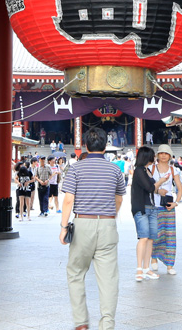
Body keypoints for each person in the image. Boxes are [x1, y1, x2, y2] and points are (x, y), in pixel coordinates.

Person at [60, 126, 126, 330]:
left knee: (76, 272)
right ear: (105, 146)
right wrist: (110, 216)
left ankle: (81, 323)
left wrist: (64, 227)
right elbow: (118, 198)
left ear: (85, 146)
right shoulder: (115, 169)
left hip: (82, 224)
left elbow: (68, 200)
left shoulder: (76, 169)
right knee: (108, 278)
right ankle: (107, 324)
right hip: (107, 223)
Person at [150, 144, 182, 275]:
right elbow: (148, 186)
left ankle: (170, 265)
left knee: (169, 235)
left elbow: (179, 188)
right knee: (155, 233)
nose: (163, 155)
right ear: (157, 155)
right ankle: (154, 258)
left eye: (166, 153)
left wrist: (176, 202)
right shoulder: (152, 168)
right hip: (154, 206)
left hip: (168, 206)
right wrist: (158, 190)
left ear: (170, 156)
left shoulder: (173, 169)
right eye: (161, 153)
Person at [129, 146, 160, 282]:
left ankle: (147, 268)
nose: (154, 158)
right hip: (142, 208)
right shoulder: (139, 171)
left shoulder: (147, 170)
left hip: (152, 207)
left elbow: (151, 190)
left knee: (150, 238)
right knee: (143, 237)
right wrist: (161, 182)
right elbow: (150, 188)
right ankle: (139, 269)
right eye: (152, 155)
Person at [14, 157, 34, 222]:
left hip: (27, 188)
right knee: (21, 202)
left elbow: (33, 179)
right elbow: (15, 178)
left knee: (28, 202)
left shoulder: (29, 173)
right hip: (21, 188)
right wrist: (18, 183)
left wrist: (28, 182)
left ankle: (28, 215)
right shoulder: (19, 173)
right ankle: (21, 216)